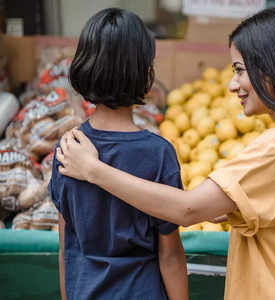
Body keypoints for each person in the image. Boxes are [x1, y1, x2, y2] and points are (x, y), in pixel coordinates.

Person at [56, 7, 275, 300]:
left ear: (274, 71)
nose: (232, 85)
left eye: (239, 70)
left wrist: (94, 170)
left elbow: (187, 210)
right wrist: (231, 205)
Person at [48, 8, 188, 300]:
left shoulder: (68, 149)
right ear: (145, 74)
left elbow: (67, 248)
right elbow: (171, 256)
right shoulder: (159, 154)